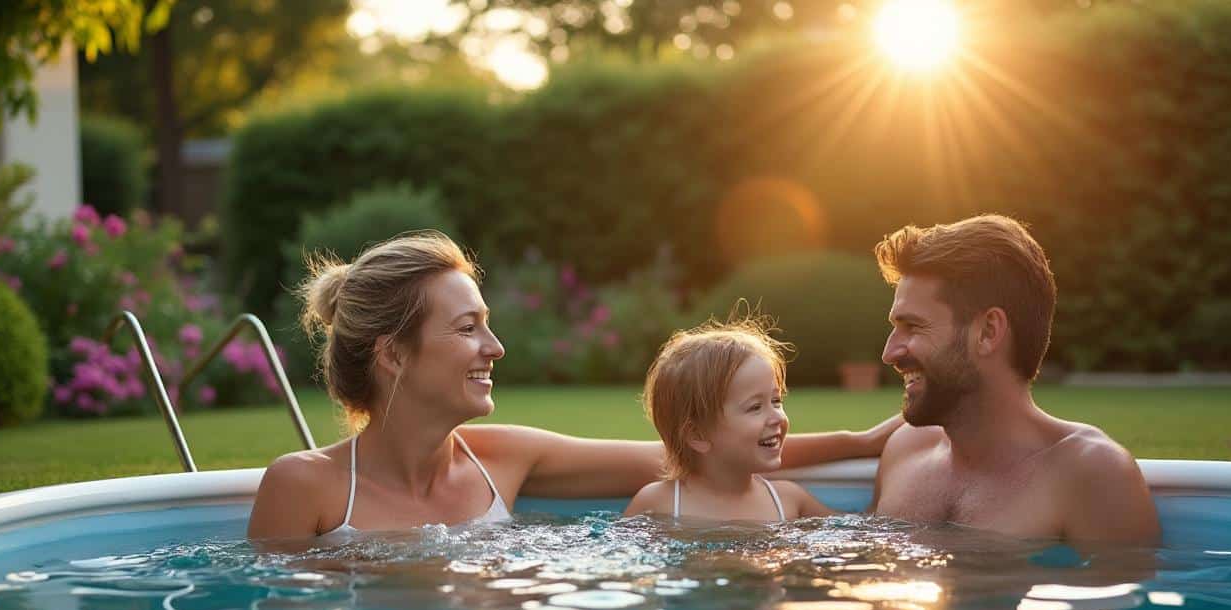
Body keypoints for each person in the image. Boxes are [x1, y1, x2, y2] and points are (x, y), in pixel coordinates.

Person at [248, 231, 898, 540]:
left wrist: (862, 441)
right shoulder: (306, 488)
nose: (495, 348)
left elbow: (686, 458)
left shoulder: (504, 457)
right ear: (393, 354)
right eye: (468, 328)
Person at [870, 214, 1160, 544]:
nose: (889, 353)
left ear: (988, 332)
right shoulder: (905, 450)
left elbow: (1129, 593)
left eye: (914, 326)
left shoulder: (1091, 475)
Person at [623, 318, 900, 523]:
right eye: (755, 407)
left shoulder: (788, 501)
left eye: (776, 401)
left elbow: (863, 535)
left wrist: (896, 462)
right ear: (697, 435)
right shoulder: (658, 503)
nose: (777, 417)